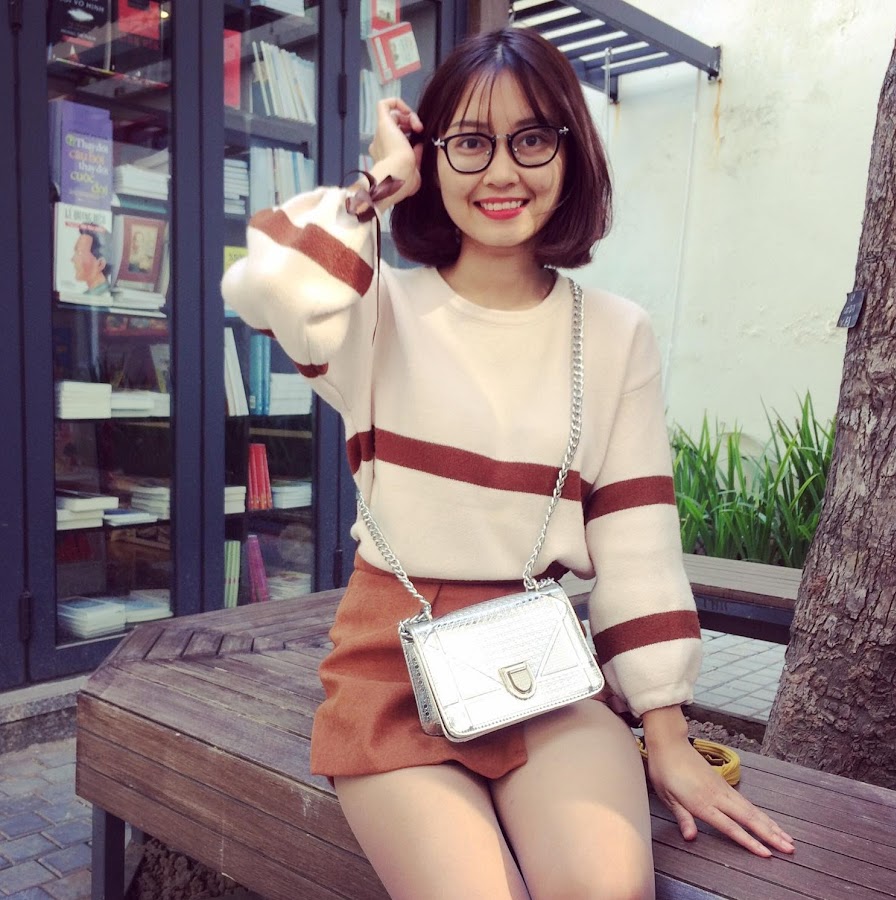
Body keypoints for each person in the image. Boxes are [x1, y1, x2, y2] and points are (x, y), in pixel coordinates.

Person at [222, 26, 794, 900]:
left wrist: (667, 735)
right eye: (470, 142)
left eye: (531, 139)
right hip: (391, 659)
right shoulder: (374, 310)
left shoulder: (615, 333)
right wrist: (378, 182)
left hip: (541, 661)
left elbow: (637, 545)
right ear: (432, 156)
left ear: (570, 151)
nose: (500, 172)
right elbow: (262, 284)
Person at [71, 225, 111, 296]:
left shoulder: (102, 296)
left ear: (100, 264)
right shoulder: (89, 295)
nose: (73, 259)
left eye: (80, 253)